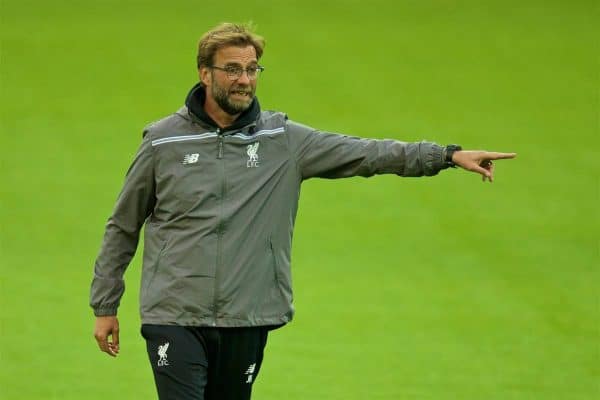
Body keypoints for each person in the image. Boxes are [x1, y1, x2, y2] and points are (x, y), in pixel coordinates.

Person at [90, 22, 516, 400]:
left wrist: (446, 155)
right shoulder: (163, 143)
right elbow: (123, 225)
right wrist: (105, 304)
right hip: (174, 314)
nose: (245, 80)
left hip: (246, 314)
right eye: (233, 70)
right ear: (205, 74)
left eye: (252, 69)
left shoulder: (284, 141)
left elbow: (369, 153)